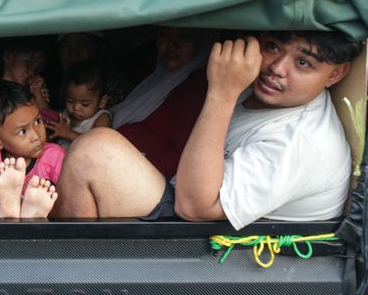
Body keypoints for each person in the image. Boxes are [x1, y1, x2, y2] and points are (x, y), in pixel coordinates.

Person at [53, 31, 360, 230]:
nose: (277, 68)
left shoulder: (301, 141)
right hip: (194, 205)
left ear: (336, 73)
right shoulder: (259, 91)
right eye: (273, 46)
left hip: (211, 244)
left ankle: (73, 272)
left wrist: (222, 92)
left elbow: (195, 207)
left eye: (303, 62)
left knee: (93, 153)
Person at [111, 27, 213, 177]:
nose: (172, 45)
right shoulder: (153, 74)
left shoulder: (197, 88)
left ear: (201, 43)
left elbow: (184, 157)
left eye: (184, 38)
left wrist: (130, 171)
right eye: (165, 35)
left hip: (137, 177)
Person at [0, 80, 63, 218]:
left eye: (37, 121)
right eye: (22, 131)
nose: (36, 136)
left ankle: (33, 215)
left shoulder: (54, 156)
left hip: (47, 225)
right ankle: (9, 211)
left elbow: (69, 196)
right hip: (3, 225)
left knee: (56, 199)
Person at [44, 61, 112, 149]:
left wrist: (68, 133)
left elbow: (98, 144)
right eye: (70, 101)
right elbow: (46, 115)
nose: (76, 108)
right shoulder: (66, 115)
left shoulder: (101, 117)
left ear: (102, 102)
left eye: (85, 104)